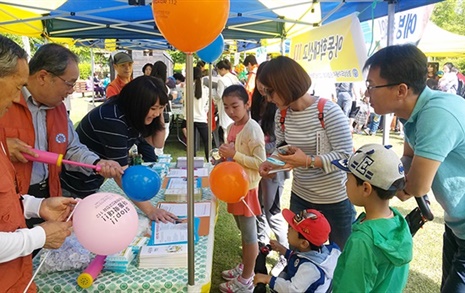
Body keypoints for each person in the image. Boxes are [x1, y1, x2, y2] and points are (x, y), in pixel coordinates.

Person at [363, 43, 465, 292]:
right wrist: (393, 176)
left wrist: (387, 182)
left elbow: (417, 186)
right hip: (457, 225)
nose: (367, 95)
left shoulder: (437, 113)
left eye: (371, 86)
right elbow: (407, 159)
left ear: (401, 90)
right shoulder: (412, 113)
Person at [0, 43, 122, 229]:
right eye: (69, 83)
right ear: (43, 77)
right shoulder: (5, 103)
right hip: (11, 200)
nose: (72, 90)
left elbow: (71, 148)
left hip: (47, 198)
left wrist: (97, 164)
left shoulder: (59, 109)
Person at [0, 34, 77, 293]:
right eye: (15, 86)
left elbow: (6, 200)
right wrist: (39, 236)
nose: (15, 99)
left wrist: (37, 205)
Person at [258, 56, 355, 249]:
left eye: (270, 92)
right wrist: (272, 163)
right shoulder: (282, 114)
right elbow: (283, 149)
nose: (269, 99)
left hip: (334, 199)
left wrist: (308, 161)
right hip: (302, 197)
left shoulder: (328, 111)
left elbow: (346, 157)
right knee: (300, 255)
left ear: (286, 84)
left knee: (341, 257)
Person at [61, 76, 176, 223]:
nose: (156, 113)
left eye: (160, 108)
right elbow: (121, 175)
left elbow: (157, 143)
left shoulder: (134, 114)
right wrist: (151, 210)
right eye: (153, 108)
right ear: (137, 104)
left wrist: (159, 109)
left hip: (93, 179)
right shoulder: (113, 119)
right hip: (74, 183)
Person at [331, 144, 412, 292]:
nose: (345, 183)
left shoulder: (362, 241)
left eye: (348, 179)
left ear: (366, 188)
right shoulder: (398, 221)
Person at [218, 85, 266, 293]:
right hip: (234, 187)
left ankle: (247, 278)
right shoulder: (232, 127)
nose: (230, 111)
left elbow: (261, 162)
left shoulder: (252, 128)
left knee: (249, 236)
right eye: (226, 107)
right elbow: (232, 153)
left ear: (247, 104)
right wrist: (224, 157)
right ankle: (246, 265)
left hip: (247, 189)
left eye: (235, 106)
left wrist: (234, 154)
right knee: (242, 231)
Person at [251, 61, 289, 276]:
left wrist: (257, 149)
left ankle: (286, 256)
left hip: (273, 170)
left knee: (272, 212)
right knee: (259, 211)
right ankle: (262, 248)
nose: (262, 87)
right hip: (257, 168)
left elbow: (281, 145)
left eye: (266, 84)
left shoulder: (280, 108)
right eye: (259, 81)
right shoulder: (257, 102)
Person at [253, 209, 341, 292]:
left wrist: (268, 279)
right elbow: (299, 258)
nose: (288, 229)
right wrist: (282, 250)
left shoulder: (310, 269)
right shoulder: (313, 251)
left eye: (292, 228)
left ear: (304, 243)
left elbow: (292, 289)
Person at [215, 59, 242, 143]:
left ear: (222, 69)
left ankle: (227, 146)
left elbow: (219, 95)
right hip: (236, 106)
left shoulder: (222, 80)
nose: (218, 72)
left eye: (218, 70)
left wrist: (213, 96)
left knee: (226, 130)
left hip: (225, 107)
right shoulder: (234, 78)